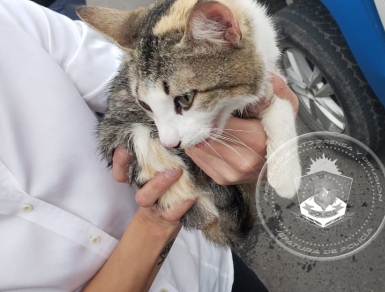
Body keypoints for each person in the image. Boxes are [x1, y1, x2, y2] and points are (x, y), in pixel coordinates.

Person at [0, 1, 298, 291]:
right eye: (149, 107)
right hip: (189, 234)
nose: (169, 138)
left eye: (183, 100)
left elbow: (142, 69)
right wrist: (156, 221)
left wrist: (272, 106)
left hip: (215, 267)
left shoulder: (10, 19)